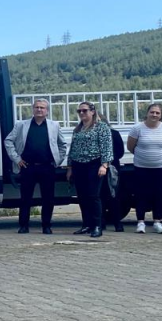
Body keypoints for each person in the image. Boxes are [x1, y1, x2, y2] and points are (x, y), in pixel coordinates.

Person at [5, 99, 66, 234]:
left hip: (47, 167)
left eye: (42, 108)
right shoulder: (21, 125)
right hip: (28, 167)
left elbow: (62, 145)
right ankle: (24, 225)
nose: (39, 110)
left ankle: (46, 226)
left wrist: (58, 160)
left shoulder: (54, 125)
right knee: (25, 198)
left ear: (47, 111)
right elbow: (8, 141)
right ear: (33, 109)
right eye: (37, 107)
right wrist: (17, 159)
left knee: (48, 198)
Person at [66, 102, 113, 239]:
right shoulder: (78, 128)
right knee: (82, 196)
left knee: (93, 196)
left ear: (92, 111)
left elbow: (106, 147)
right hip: (78, 165)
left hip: (94, 164)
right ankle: (86, 224)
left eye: (84, 110)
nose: (81, 113)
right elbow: (72, 148)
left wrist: (104, 165)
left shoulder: (101, 127)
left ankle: (97, 225)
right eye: (79, 111)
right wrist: (70, 167)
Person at [127, 103, 162, 234]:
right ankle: (140, 222)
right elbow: (130, 147)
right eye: (152, 112)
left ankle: (157, 222)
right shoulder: (137, 128)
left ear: (161, 115)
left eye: (157, 113)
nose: (154, 115)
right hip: (141, 167)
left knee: (158, 194)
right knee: (141, 194)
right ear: (147, 113)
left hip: (160, 166)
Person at [99, 123, 127, 233]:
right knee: (101, 196)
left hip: (112, 169)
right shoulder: (95, 134)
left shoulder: (114, 133)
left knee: (113, 195)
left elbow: (120, 152)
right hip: (99, 168)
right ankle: (102, 223)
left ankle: (117, 223)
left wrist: (109, 160)